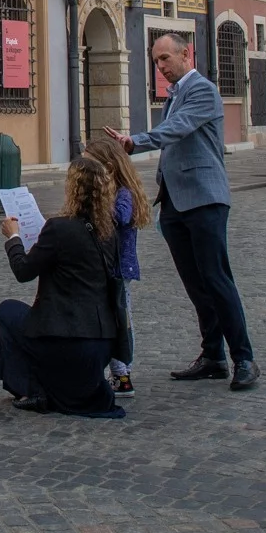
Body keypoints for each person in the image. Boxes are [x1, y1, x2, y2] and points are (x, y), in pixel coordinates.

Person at [105, 31, 260, 390]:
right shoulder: (173, 96)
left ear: (185, 54)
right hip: (175, 202)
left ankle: (244, 358)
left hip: (205, 198)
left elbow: (176, 130)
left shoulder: (201, 89)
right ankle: (213, 356)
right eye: (156, 61)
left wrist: (136, 141)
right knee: (195, 284)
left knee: (217, 279)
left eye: (165, 59)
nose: (160, 67)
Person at [0, 157, 126, 418]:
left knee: (7, 311)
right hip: (102, 342)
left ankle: (29, 388)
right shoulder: (108, 231)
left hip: (68, 339)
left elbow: (23, 271)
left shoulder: (59, 228)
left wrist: (13, 237)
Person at [83, 134, 152, 398]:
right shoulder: (114, 189)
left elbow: (120, 216)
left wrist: (98, 202)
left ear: (108, 167)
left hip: (119, 269)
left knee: (121, 319)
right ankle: (108, 372)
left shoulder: (123, 192)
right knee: (108, 317)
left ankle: (122, 375)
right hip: (107, 266)